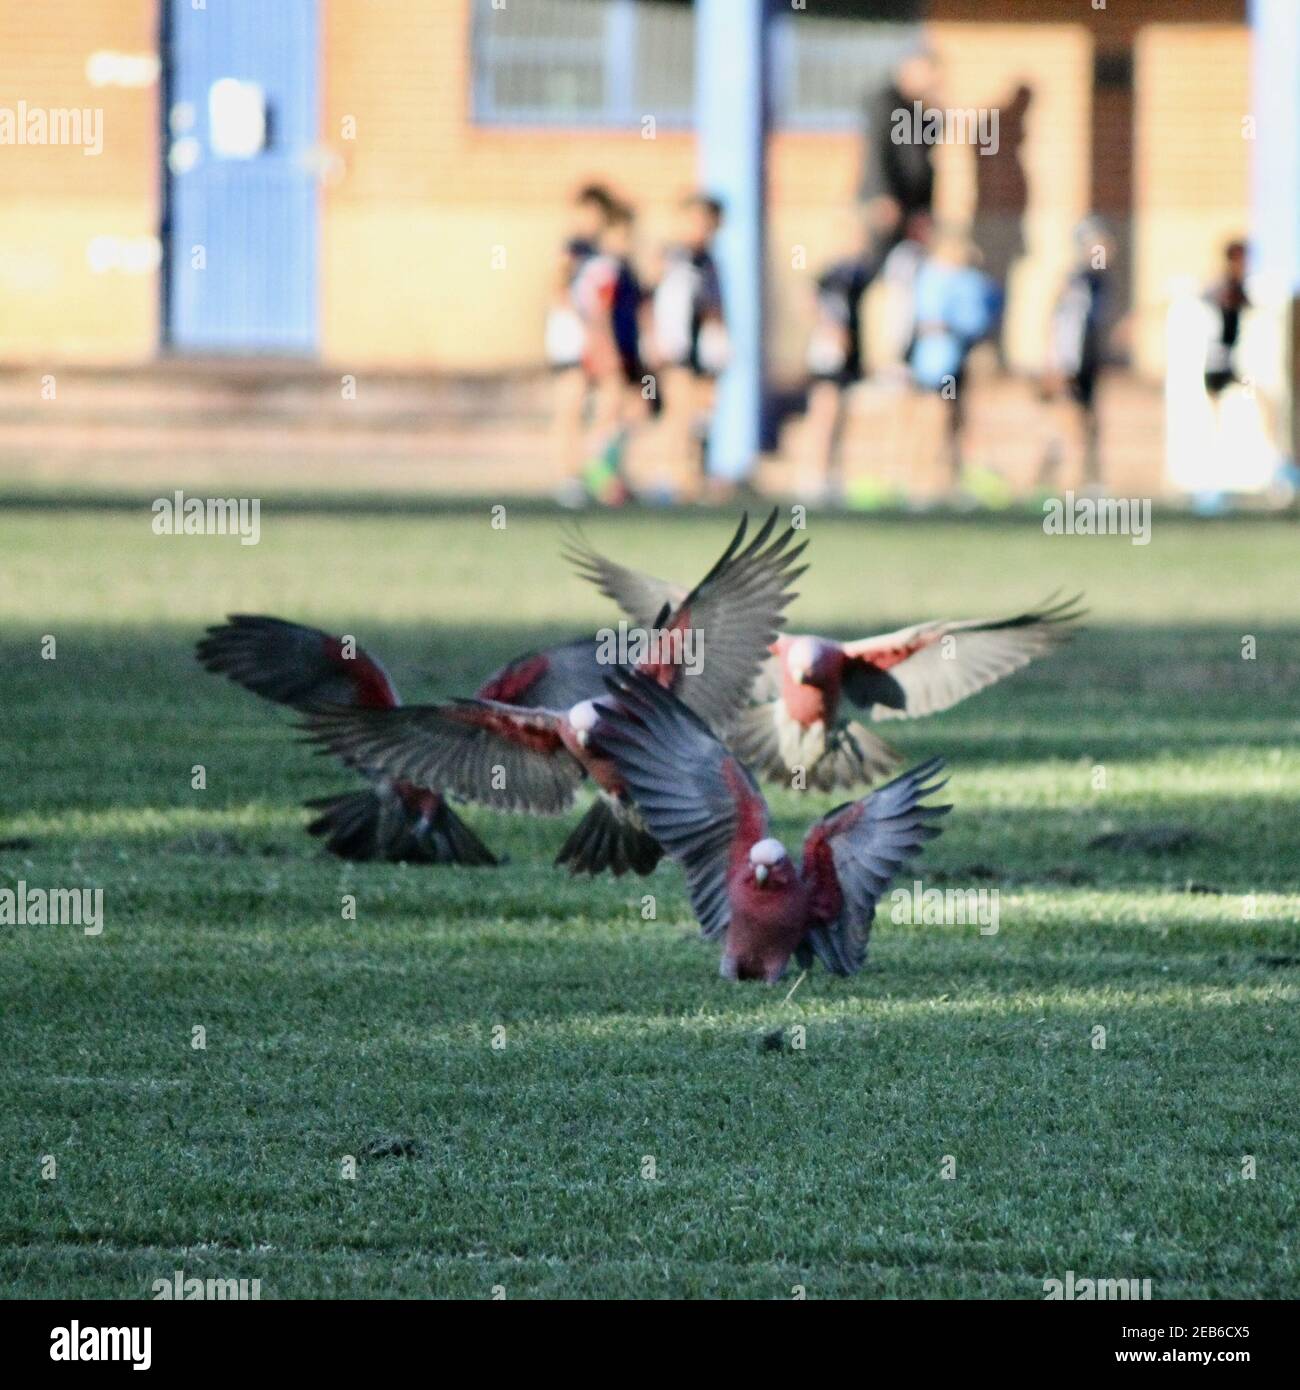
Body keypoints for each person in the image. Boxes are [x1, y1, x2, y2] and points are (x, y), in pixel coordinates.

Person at [801, 202, 894, 505]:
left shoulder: (855, 273)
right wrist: (831, 332)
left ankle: (831, 474)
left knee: (838, 414)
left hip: (846, 355)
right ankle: (814, 476)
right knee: (825, 413)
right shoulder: (835, 274)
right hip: (831, 355)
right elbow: (818, 306)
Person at [647, 193, 728, 501]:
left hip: (703, 352)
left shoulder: (709, 263)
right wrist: (653, 339)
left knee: (702, 415)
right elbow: (648, 297)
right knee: (678, 413)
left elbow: (715, 308)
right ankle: (670, 475)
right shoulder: (670, 257)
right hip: (675, 349)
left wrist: (720, 343)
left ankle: (695, 475)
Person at [907, 227, 1001, 492]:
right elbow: (933, 322)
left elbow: (982, 314)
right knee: (933, 417)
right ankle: (920, 481)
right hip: (938, 362)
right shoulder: (933, 278)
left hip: (958, 358)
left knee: (957, 420)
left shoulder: (967, 279)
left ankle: (953, 479)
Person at [570, 202, 647, 506]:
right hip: (609, 351)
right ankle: (594, 473)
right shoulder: (605, 268)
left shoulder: (620, 268)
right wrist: (607, 350)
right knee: (609, 411)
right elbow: (598, 312)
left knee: (630, 411)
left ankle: (611, 474)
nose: (629, 243)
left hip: (624, 351)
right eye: (624, 236)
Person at [549, 184, 615, 503]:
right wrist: (583, 326)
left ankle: (590, 471)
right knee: (570, 407)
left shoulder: (597, 252)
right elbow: (559, 287)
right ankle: (567, 476)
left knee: (600, 405)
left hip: (591, 340)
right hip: (571, 341)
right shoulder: (572, 249)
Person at [1039, 216, 1113, 491]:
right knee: (1065, 423)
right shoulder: (1078, 282)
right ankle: (1051, 482)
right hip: (1071, 364)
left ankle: (1088, 481)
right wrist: (1057, 365)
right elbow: (1061, 324)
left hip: (1088, 362)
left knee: (1089, 423)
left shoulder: (1099, 281)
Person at [859, 50, 942, 240]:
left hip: (913, 204)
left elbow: (927, 148)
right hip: (887, 202)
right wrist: (881, 194)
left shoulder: (917, 107)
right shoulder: (886, 102)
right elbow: (876, 150)